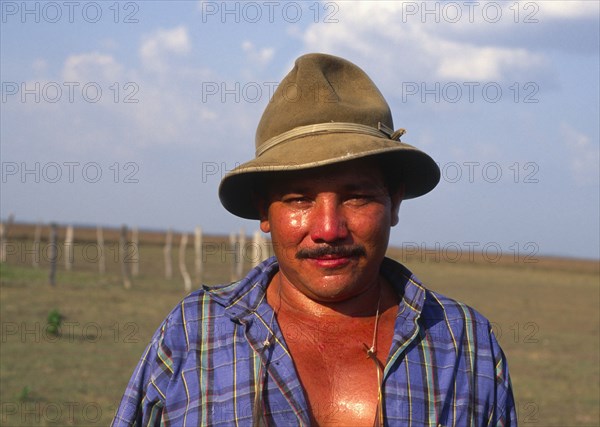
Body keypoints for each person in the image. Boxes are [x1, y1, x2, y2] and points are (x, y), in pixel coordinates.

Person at [112, 53, 516, 426]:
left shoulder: (465, 342)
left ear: (393, 203)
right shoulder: (194, 332)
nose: (328, 229)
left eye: (357, 196)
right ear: (264, 211)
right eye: (298, 198)